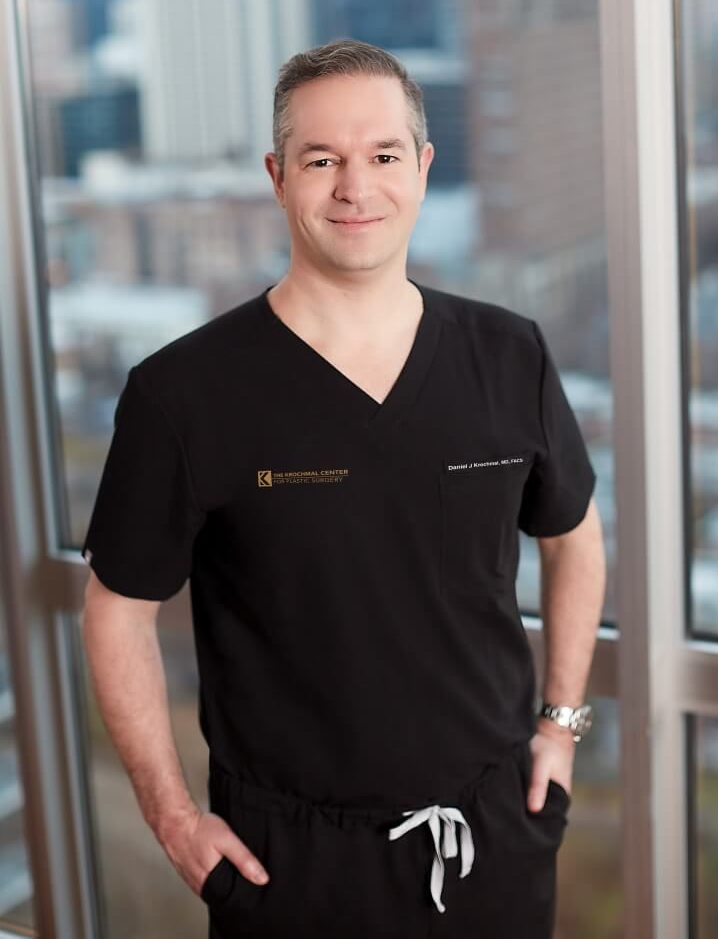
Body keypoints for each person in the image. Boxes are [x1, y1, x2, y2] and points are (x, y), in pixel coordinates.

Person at [80, 38, 606, 939]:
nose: (355, 187)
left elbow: (574, 539)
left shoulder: (509, 354)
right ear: (279, 177)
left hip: (493, 837)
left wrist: (558, 730)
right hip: (287, 862)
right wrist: (171, 814)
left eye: (383, 155)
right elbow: (116, 609)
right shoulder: (184, 394)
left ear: (424, 167)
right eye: (323, 160)